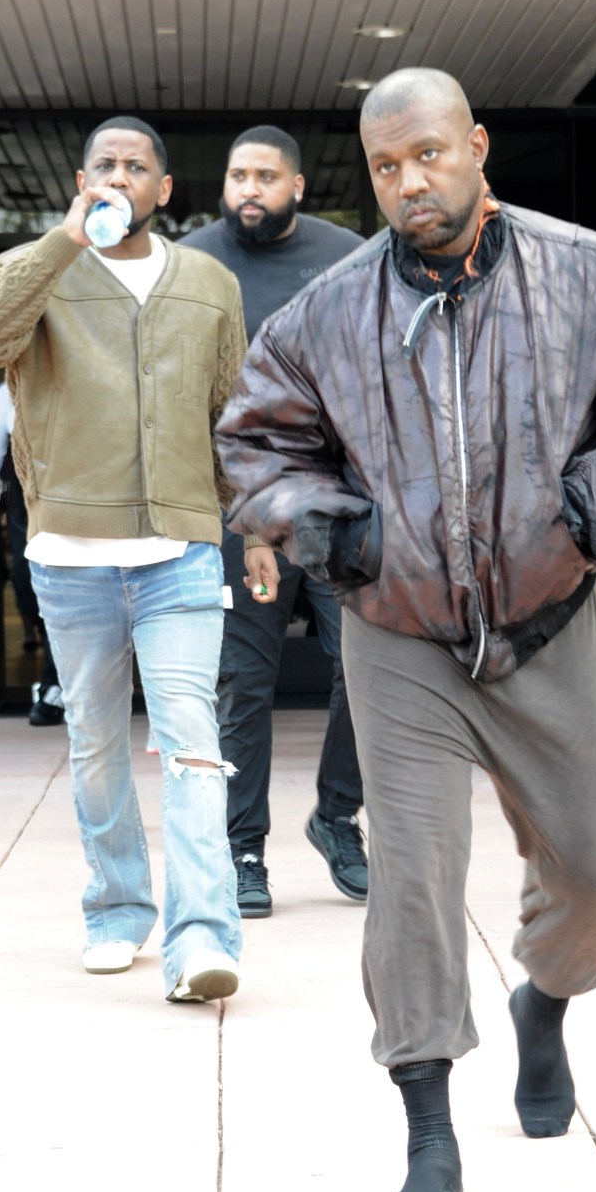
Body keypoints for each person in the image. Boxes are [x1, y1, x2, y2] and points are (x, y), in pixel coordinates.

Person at [217, 67, 596, 1192]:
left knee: (593, 877)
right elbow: (255, 445)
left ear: (477, 147)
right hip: (399, 633)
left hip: (547, 617)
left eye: (430, 156)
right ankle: (429, 1123)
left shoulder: (594, 276)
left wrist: (588, 517)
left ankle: (544, 1003)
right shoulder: (325, 315)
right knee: (410, 880)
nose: (411, 183)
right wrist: (338, 533)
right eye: (387, 167)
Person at [0, 116, 245, 1002]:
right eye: (105, 165)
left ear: (163, 189)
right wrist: (65, 241)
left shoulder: (209, 282)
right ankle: (117, 911)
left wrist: (258, 529)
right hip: (70, 557)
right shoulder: (39, 268)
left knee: (191, 743)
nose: (120, 176)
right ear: (84, 182)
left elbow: (231, 413)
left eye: (137, 166)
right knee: (97, 748)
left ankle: (202, 940)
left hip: (181, 553)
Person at [180, 127, 367, 919]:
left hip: (335, 501)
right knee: (244, 685)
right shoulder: (191, 263)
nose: (247, 188)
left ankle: (336, 817)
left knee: (363, 665)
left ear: (296, 185)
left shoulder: (349, 254)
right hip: (238, 507)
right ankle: (242, 847)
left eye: (264, 176)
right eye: (236, 175)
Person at [0, 380, 65, 726]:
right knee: (28, 591)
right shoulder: (8, 391)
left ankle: (56, 686)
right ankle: (60, 675)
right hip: (27, 502)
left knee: (65, 590)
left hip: (74, 496)